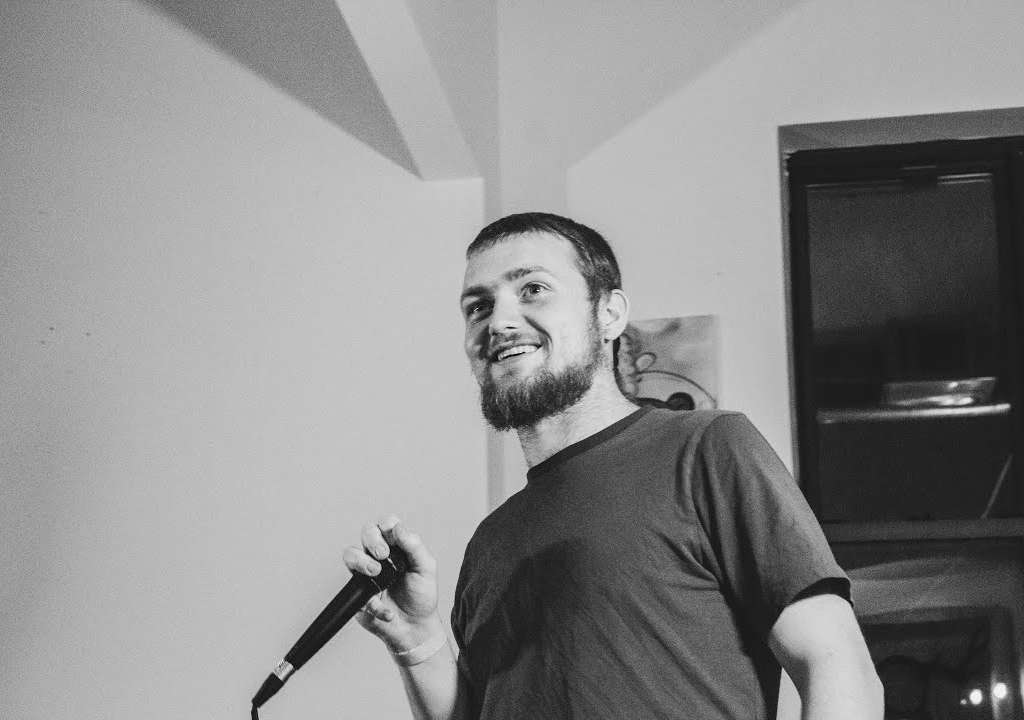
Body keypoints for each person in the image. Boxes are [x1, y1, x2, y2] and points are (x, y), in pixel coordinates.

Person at [341, 212, 883, 719]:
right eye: (478, 307)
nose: (499, 321)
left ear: (609, 313)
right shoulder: (489, 543)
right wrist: (416, 638)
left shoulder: (706, 448)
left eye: (533, 289)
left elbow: (837, 666)